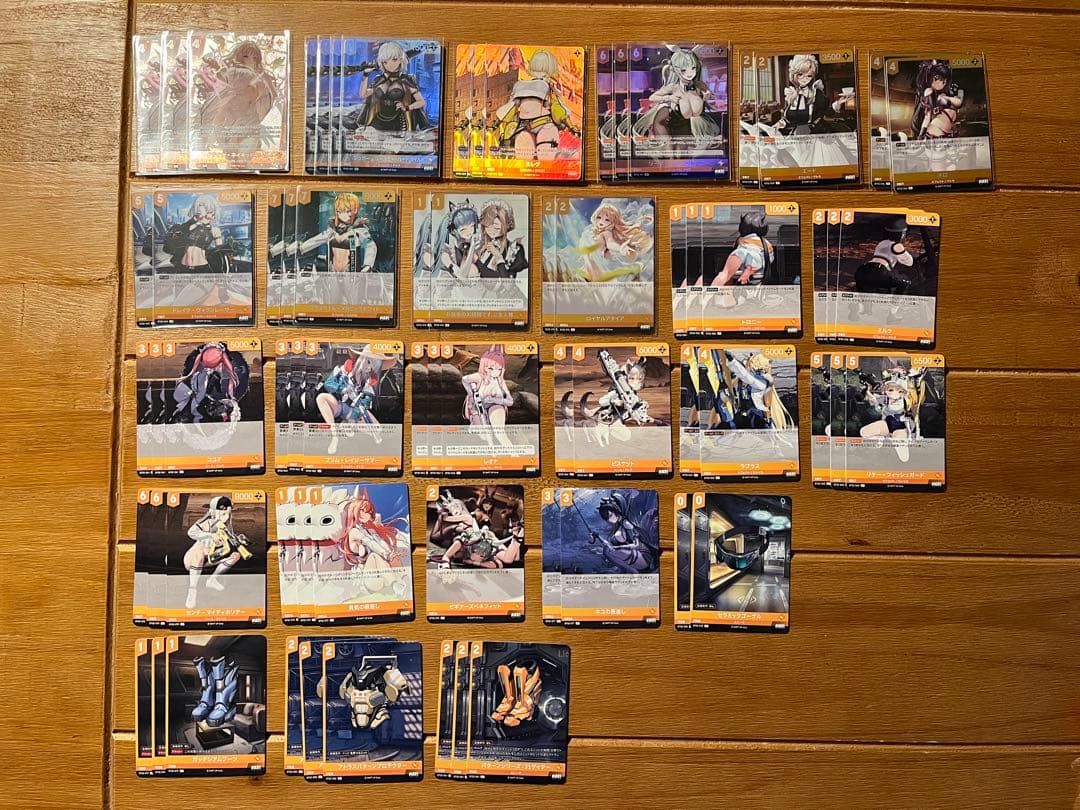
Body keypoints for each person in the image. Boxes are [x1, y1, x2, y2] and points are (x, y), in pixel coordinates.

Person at [183, 496, 249, 609]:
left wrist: (239, 539)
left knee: (236, 556)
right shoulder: (206, 522)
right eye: (223, 513)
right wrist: (210, 535)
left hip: (211, 558)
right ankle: (192, 590)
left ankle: (212, 579)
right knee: (200, 553)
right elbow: (191, 533)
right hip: (193, 560)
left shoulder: (226, 526)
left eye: (228, 514)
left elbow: (231, 538)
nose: (226, 517)